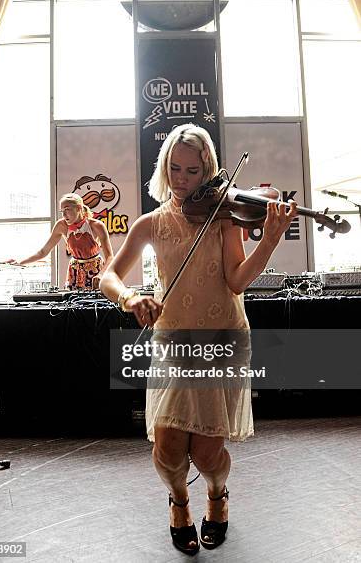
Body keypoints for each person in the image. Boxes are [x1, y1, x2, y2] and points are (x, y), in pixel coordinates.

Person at [100, 124, 297, 555]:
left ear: (207, 169)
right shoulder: (151, 223)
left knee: (208, 455)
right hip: (174, 343)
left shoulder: (225, 217)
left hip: (221, 339)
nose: (182, 179)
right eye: (175, 168)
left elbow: (237, 280)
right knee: (169, 451)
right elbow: (108, 276)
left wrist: (273, 237)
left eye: (192, 170)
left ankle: (217, 496)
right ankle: (179, 502)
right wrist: (132, 297)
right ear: (165, 168)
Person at [8, 193, 113, 290]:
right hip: (74, 271)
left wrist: (101, 274)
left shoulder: (96, 225)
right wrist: (20, 262)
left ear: (79, 208)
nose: (64, 215)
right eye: (62, 211)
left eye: (67, 210)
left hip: (96, 271)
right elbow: (43, 252)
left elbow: (110, 257)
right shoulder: (61, 225)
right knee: (73, 306)